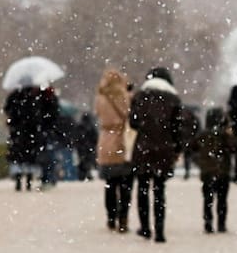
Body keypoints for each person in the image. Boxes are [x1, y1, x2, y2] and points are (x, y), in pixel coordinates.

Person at [129, 67, 184, 243]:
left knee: (143, 188)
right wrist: (177, 149)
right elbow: (177, 129)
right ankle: (160, 231)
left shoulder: (140, 96)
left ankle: (145, 228)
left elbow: (133, 123)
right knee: (160, 190)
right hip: (164, 148)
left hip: (144, 148)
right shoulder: (173, 99)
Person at [94, 69, 134, 231]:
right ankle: (123, 218)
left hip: (106, 140)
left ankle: (111, 217)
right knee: (126, 184)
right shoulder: (125, 97)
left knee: (110, 183)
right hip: (123, 140)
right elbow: (130, 115)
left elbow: (98, 114)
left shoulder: (100, 98)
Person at [3, 80, 58, 192]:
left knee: (19, 155)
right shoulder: (36, 96)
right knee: (30, 156)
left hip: (18, 131)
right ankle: (28, 178)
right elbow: (47, 113)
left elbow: (8, 109)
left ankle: (19, 177)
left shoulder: (16, 96)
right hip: (31, 131)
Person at [190, 107, 233, 233]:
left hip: (207, 171)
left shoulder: (202, 134)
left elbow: (192, 148)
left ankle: (208, 223)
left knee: (208, 199)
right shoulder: (224, 135)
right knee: (222, 200)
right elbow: (234, 147)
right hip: (223, 171)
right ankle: (221, 224)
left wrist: (200, 162)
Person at [179, 105, 201, 180]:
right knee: (188, 157)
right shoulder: (188, 120)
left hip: (191, 141)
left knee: (192, 157)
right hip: (188, 141)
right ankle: (187, 171)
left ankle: (189, 171)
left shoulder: (191, 120)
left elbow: (198, 130)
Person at [75, 111, 98, 181]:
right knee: (88, 161)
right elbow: (96, 137)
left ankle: (81, 175)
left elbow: (76, 137)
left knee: (82, 161)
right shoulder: (91, 126)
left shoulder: (79, 126)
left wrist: (78, 145)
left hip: (81, 148)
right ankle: (88, 175)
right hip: (90, 147)